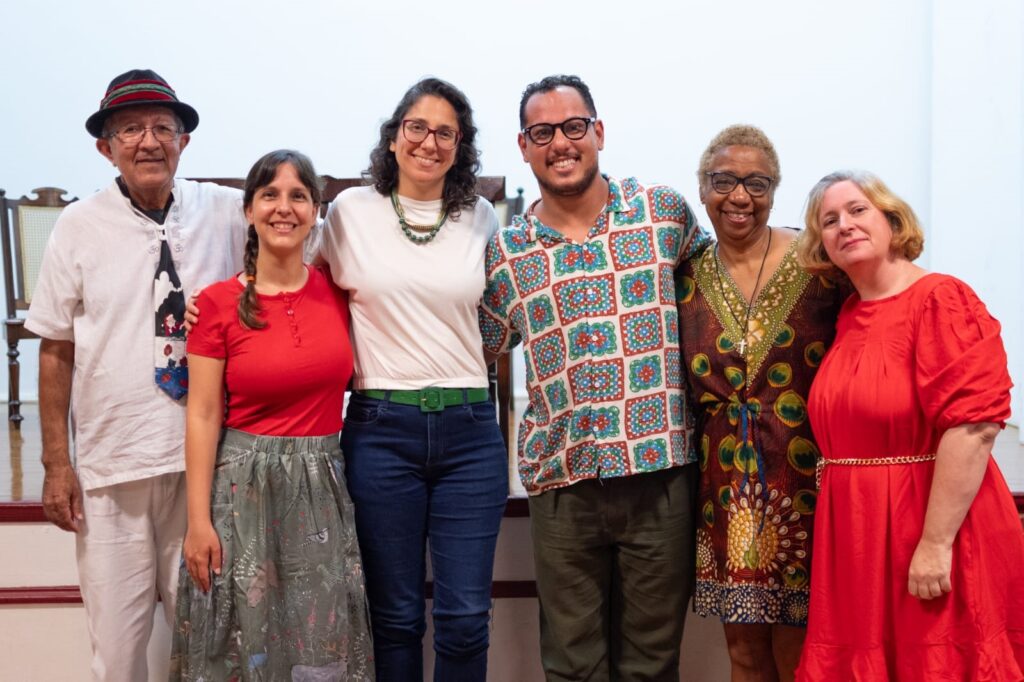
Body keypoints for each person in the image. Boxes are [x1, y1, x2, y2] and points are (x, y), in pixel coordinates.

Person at [479, 74, 710, 681]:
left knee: (652, 665)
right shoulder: (506, 253)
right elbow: (477, 349)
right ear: (524, 146)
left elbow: (721, 290)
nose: (561, 142)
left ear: (598, 133)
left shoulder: (662, 215)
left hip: (661, 474)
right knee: (573, 665)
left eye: (574, 127)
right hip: (563, 481)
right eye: (543, 132)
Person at [25, 69, 246, 681]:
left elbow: (301, 229)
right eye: (130, 130)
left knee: (205, 641)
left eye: (162, 128)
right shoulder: (78, 225)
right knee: (119, 651)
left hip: (204, 465)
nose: (148, 142)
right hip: (112, 465)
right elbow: (55, 348)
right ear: (106, 147)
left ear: (184, 141)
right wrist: (56, 463)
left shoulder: (224, 210)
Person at [794, 170, 1024, 680]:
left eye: (857, 210)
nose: (844, 226)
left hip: (927, 524)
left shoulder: (941, 298)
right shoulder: (850, 314)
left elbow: (975, 425)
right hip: (857, 535)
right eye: (828, 221)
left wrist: (935, 544)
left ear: (891, 220)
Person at [320, 78, 508, 681]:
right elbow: (295, 283)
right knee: (395, 617)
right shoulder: (350, 213)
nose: (430, 141)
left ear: (461, 145)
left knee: (464, 617)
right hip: (381, 429)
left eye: (446, 132)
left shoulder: (479, 217)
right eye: (417, 127)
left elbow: (504, 310)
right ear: (395, 136)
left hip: (471, 433)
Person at [169, 149, 373, 680]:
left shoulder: (342, 292)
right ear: (249, 211)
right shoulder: (214, 304)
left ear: (315, 211)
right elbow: (203, 414)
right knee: (241, 638)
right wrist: (197, 523)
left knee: (319, 635)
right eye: (270, 195)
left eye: (299, 196)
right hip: (243, 489)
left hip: (322, 484)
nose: (284, 208)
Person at [676, 125, 846, 682]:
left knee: (803, 652)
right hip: (724, 488)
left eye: (757, 183)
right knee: (745, 654)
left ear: (775, 190)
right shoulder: (683, 277)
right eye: (724, 181)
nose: (740, 197)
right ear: (702, 189)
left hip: (808, 486)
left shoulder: (821, 265)